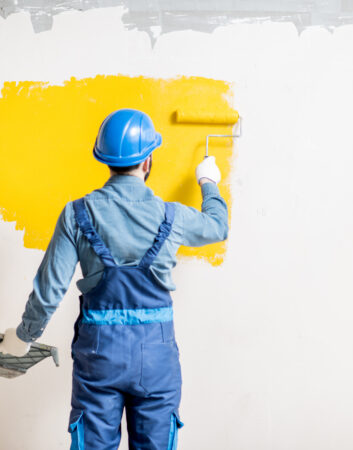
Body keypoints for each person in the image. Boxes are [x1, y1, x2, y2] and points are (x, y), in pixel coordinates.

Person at [0, 108, 228, 449]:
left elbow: (49, 291)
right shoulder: (173, 215)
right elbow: (218, 226)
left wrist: (23, 337)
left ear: (102, 157)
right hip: (156, 359)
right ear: (148, 161)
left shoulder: (77, 214)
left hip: (99, 358)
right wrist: (208, 182)